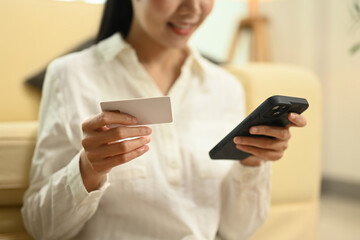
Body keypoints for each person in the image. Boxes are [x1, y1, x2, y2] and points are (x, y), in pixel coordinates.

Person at [21, 0, 307, 239]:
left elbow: (238, 229)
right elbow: (41, 227)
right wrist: (87, 169)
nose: (192, 7)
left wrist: (252, 161)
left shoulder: (225, 87)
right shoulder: (71, 76)